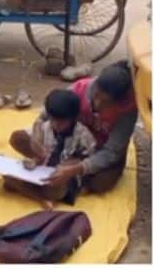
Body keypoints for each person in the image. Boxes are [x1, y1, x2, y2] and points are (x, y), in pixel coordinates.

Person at [31, 61, 137, 195]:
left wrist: (77, 168)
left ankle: (67, 179)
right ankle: (55, 171)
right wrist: (36, 134)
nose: (97, 104)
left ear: (119, 101)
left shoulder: (127, 111)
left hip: (98, 151)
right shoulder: (81, 88)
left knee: (101, 183)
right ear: (96, 85)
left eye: (106, 102)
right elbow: (45, 115)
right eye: (97, 95)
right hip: (71, 143)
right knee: (19, 138)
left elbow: (111, 153)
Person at [5, 89, 97, 209]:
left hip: (65, 175)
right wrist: (35, 161)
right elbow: (42, 153)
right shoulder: (46, 127)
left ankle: (36, 195)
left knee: (56, 191)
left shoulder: (83, 135)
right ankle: (41, 197)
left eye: (61, 122)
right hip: (44, 170)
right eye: (53, 120)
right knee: (7, 176)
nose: (55, 125)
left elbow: (87, 159)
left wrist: (68, 167)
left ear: (74, 118)